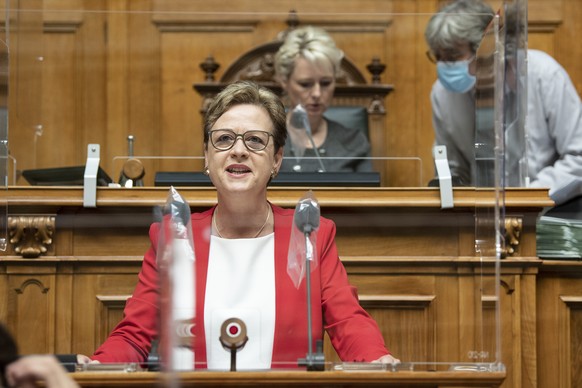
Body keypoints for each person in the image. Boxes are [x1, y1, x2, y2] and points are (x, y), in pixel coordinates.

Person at [90, 81, 398, 369]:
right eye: (224, 139)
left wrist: (377, 360)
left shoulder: (308, 234)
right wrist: (98, 366)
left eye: (254, 140)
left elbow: (348, 322)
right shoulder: (175, 237)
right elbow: (134, 335)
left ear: (277, 159)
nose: (238, 150)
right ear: (206, 157)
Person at [425, 0, 582, 205]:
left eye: (453, 56)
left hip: (549, 210)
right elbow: (454, 167)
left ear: (488, 47)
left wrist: (525, 200)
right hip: (481, 217)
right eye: (438, 56)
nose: (445, 65)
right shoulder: (442, 93)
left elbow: (578, 157)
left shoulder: (544, 75)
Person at [274, 26, 374, 173]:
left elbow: (370, 195)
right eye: (305, 84)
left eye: (326, 83)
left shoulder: (353, 141)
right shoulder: (268, 139)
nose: (317, 93)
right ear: (284, 82)